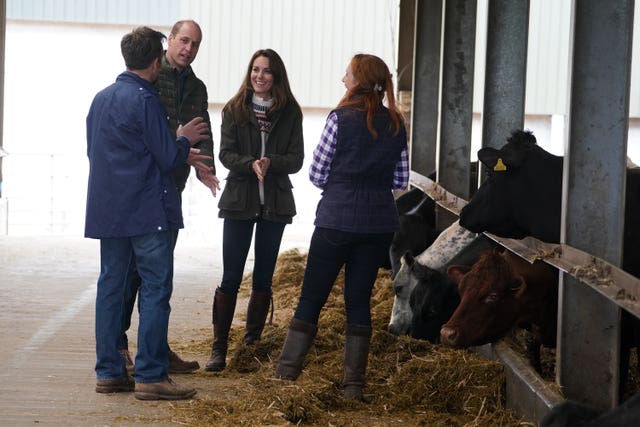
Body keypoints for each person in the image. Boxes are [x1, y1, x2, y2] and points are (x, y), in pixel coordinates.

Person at [86, 26, 211, 400]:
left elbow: (95, 152)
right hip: (146, 210)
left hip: (109, 210)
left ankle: (109, 371)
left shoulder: (101, 99)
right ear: (156, 61)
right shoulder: (147, 100)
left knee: (111, 286)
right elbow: (169, 156)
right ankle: (151, 375)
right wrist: (184, 138)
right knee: (155, 289)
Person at [275, 54, 409, 401]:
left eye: (347, 73)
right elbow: (400, 179)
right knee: (359, 300)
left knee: (312, 297)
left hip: (336, 219)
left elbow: (317, 173)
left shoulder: (339, 119)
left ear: (359, 79)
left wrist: (343, 185)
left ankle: (286, 374)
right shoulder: (396, 123)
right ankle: (353, 386)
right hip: (378, 224)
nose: (342, 79)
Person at [118, 19, 220, 376]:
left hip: (170, 189)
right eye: (184, 41)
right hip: (143, 187)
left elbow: (201, 129)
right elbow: (142, 130)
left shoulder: (197, 86)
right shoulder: (148, 75)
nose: (189, 49)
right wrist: (177, 141)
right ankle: (119, 348)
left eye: (195, 44)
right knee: (134, 274)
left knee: (159, 275)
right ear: (171, 40)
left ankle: (155, 348)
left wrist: (204, 166)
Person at [205, 49, 304, 372]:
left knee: (263, 277)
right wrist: (251, 164)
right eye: (255, 70)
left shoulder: (291, 112)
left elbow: (297, 158)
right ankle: (218, 350)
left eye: (266, 71)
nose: (259, 76)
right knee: (231, 276)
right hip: (239, 202)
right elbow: (225, 154)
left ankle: (251, 346)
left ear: (277, 76)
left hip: (274, 204)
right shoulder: (234, 110)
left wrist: (271, 163)